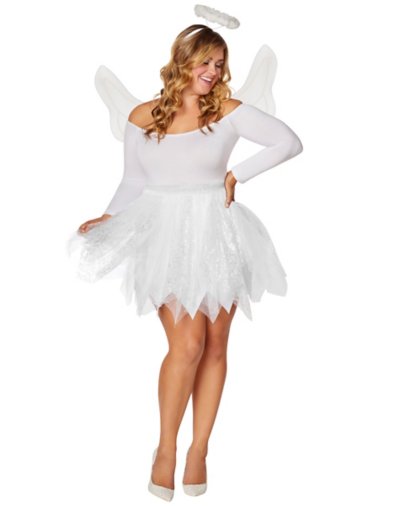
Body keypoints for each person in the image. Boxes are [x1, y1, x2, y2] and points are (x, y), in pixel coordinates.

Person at [71, 24, 303, 500]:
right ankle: (166, 449)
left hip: (218, 233)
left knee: (215, 343)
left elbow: (288, 142)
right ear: (182, 59)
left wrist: (237, 174)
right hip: (164, 236)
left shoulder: (228, 111)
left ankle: (200, 450)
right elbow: (133, 180)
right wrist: (109, 217)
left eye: (220, 64)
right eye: (205, 62)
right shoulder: (143, 116)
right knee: (187, 344)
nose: (213, 72)